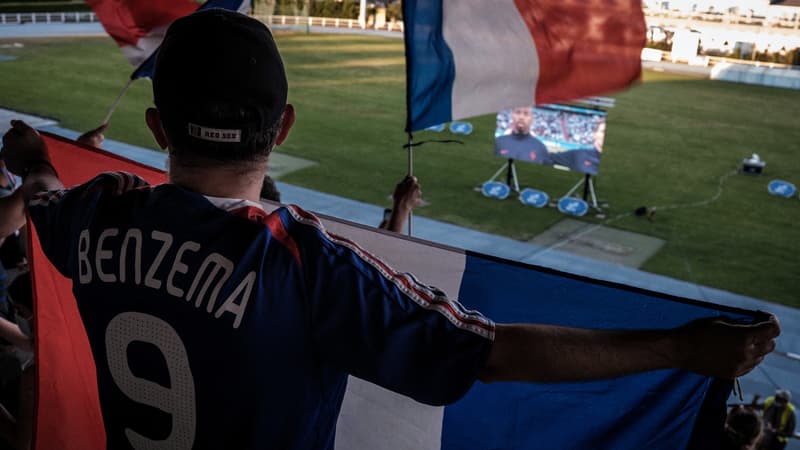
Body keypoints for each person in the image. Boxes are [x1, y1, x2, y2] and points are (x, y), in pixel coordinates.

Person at [0, 10, 781, 450]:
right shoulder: (304, 264)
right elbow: (491, 351)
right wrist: (682, 347)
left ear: (157, 127)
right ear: (287, 124)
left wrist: (36, 156)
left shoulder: (97, 212)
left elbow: (40, 196)